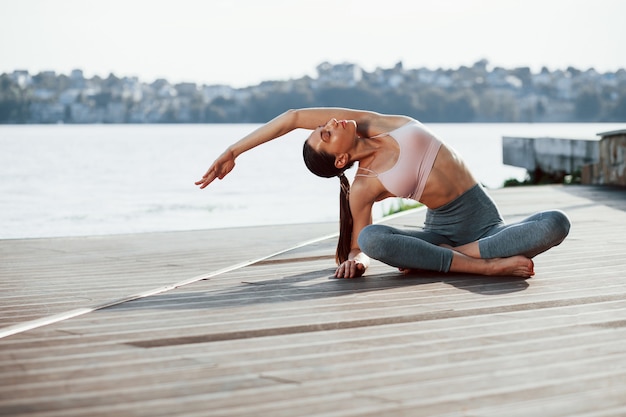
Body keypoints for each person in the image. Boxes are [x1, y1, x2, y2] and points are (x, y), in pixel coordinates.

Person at [196, 107, 570, 279]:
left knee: (556, 222)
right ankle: (481, 266)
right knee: (373, 237)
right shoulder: (364, 185)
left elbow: (292, 117)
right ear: (341, 158)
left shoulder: (374, 124)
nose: (328, 124)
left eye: (323, 126)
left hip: (487, 226)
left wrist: (233, 152)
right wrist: (357, 261)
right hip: (442, 233)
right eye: (326, 133)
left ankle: (445, 258)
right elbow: (361, 243)